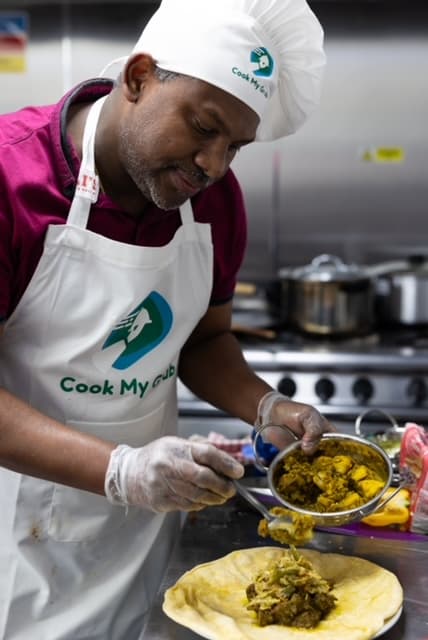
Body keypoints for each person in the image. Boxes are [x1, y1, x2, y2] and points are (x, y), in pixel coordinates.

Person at [0, 0, 333, 637]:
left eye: (234, 145)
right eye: (203, 127)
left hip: (146, 539)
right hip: (19, 541)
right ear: (138, 77)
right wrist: (122, 470)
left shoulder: (212, 202)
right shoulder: (11, 179)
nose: (213, 164)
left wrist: (267, 407)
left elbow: (205, 339)